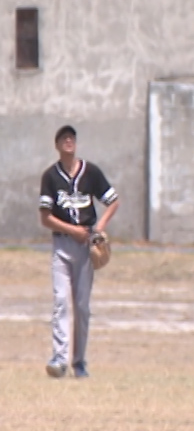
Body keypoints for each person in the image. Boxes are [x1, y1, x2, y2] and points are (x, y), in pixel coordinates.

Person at [38, 125, 120, 378]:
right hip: (62, 245)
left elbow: (113, 200)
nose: (68, 141)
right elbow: (45, 217)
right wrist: (71, 230)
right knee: (61, 302)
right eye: (64, 138)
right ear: (57, 145)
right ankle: (59, 360)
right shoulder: (50, 176)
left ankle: (79, 362)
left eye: (71, 137)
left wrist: (99, 229)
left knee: (82, 306)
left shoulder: (90, 172)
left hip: (86, 247)